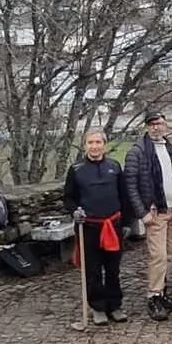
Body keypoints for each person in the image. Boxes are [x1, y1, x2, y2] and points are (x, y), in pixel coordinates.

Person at [123, 112, 172, 321]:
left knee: (168, 255)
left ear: (165, 125)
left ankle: (163, 292)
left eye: (159, 123)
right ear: (146, 127)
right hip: (155, 213)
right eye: (152, 124)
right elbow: (130, 185)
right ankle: (153, 296)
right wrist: (142, 213)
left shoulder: (168, 146)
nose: (156, 128)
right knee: (157, 256)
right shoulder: (138, 152)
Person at [63, 129, 130, 325]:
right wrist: (74, 211)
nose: (94, 146)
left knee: (113, 268)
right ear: (85, 145)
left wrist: (127, 223)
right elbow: (68, 198)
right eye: (90, 142)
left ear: (105, 145)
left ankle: (114, 305)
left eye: (98, 142)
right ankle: (98, 307)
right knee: (92, 270)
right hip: (88, 227)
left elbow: (123, 197)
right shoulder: (76, 170)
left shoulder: (115, 167)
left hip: (113, 225)